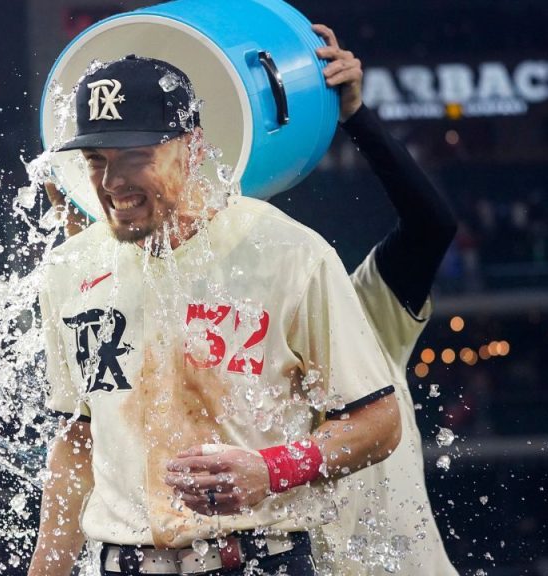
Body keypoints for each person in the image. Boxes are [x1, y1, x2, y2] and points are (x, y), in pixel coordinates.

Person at [37, 25, 460, 576]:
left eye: (135, 157)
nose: (112, 180)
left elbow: (429, 229)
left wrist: (354, 114)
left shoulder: (300, 262)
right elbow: (79, 438)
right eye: (95, 159)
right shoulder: (78, 271)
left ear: (195, 153)